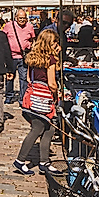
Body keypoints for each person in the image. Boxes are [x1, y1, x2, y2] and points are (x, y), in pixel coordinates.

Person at [14, 29, 62, 175]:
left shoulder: (33, 58)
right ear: (49, 43)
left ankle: (44, 162)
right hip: (43, 99)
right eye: (55, 42)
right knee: (37, 129)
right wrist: (56, 94)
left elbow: (29, 78)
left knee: (49, 129)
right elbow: (52, 83)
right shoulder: (50, 60)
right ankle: (20, 160)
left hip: (32, 96)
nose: (57, 45)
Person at [4, 9, 36, 106]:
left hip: (23, 56)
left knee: (23, 78)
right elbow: (3, 38)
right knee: (10, 77)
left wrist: (31, 48)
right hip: (11, 56)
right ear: (16, 18)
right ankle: (9, 96)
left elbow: (33, 39)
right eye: (20, 18)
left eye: (24, 18)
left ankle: (22, 99)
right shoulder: (9, 25)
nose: (22, 20)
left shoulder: (30, 27)